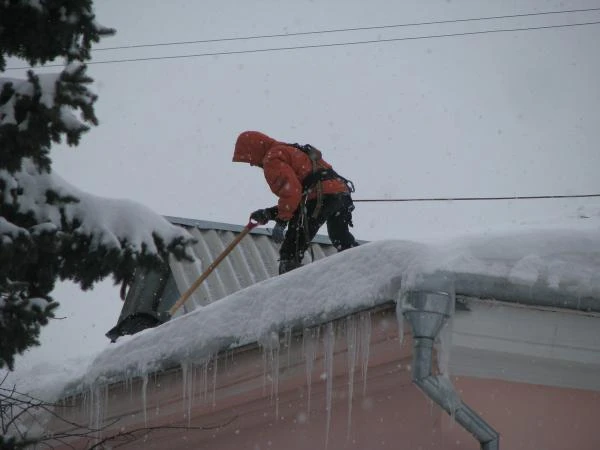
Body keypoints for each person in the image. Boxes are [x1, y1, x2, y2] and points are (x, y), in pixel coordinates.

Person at [233, 130, 359, 274]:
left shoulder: (272, 158)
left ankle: (292, 277)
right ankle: (363, 262)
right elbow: (296, 201)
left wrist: (281, 221)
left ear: (254, 151)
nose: (251, 164)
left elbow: (291, 193)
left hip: (321, 197)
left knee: (293, 246)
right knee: (340, 237)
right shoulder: (287, 149)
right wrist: (269, 214)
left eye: (249, 159)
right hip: (341, 194)